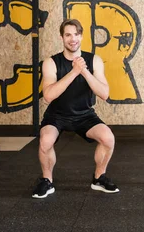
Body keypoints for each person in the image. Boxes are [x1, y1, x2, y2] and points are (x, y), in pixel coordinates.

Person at [32, 19, 119, 198]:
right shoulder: (51, 62)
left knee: (108, 138)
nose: (73, 39)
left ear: (82, 36)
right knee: (45, 141)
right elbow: (48, 96)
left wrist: (84, 71)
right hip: (57, 115)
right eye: (68, 35)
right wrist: (73, 72)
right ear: (62, 37)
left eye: (76, 34)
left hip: (84, 114)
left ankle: (99, 177)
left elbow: (104, 94)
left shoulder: (94, 60)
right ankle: (47, 180)